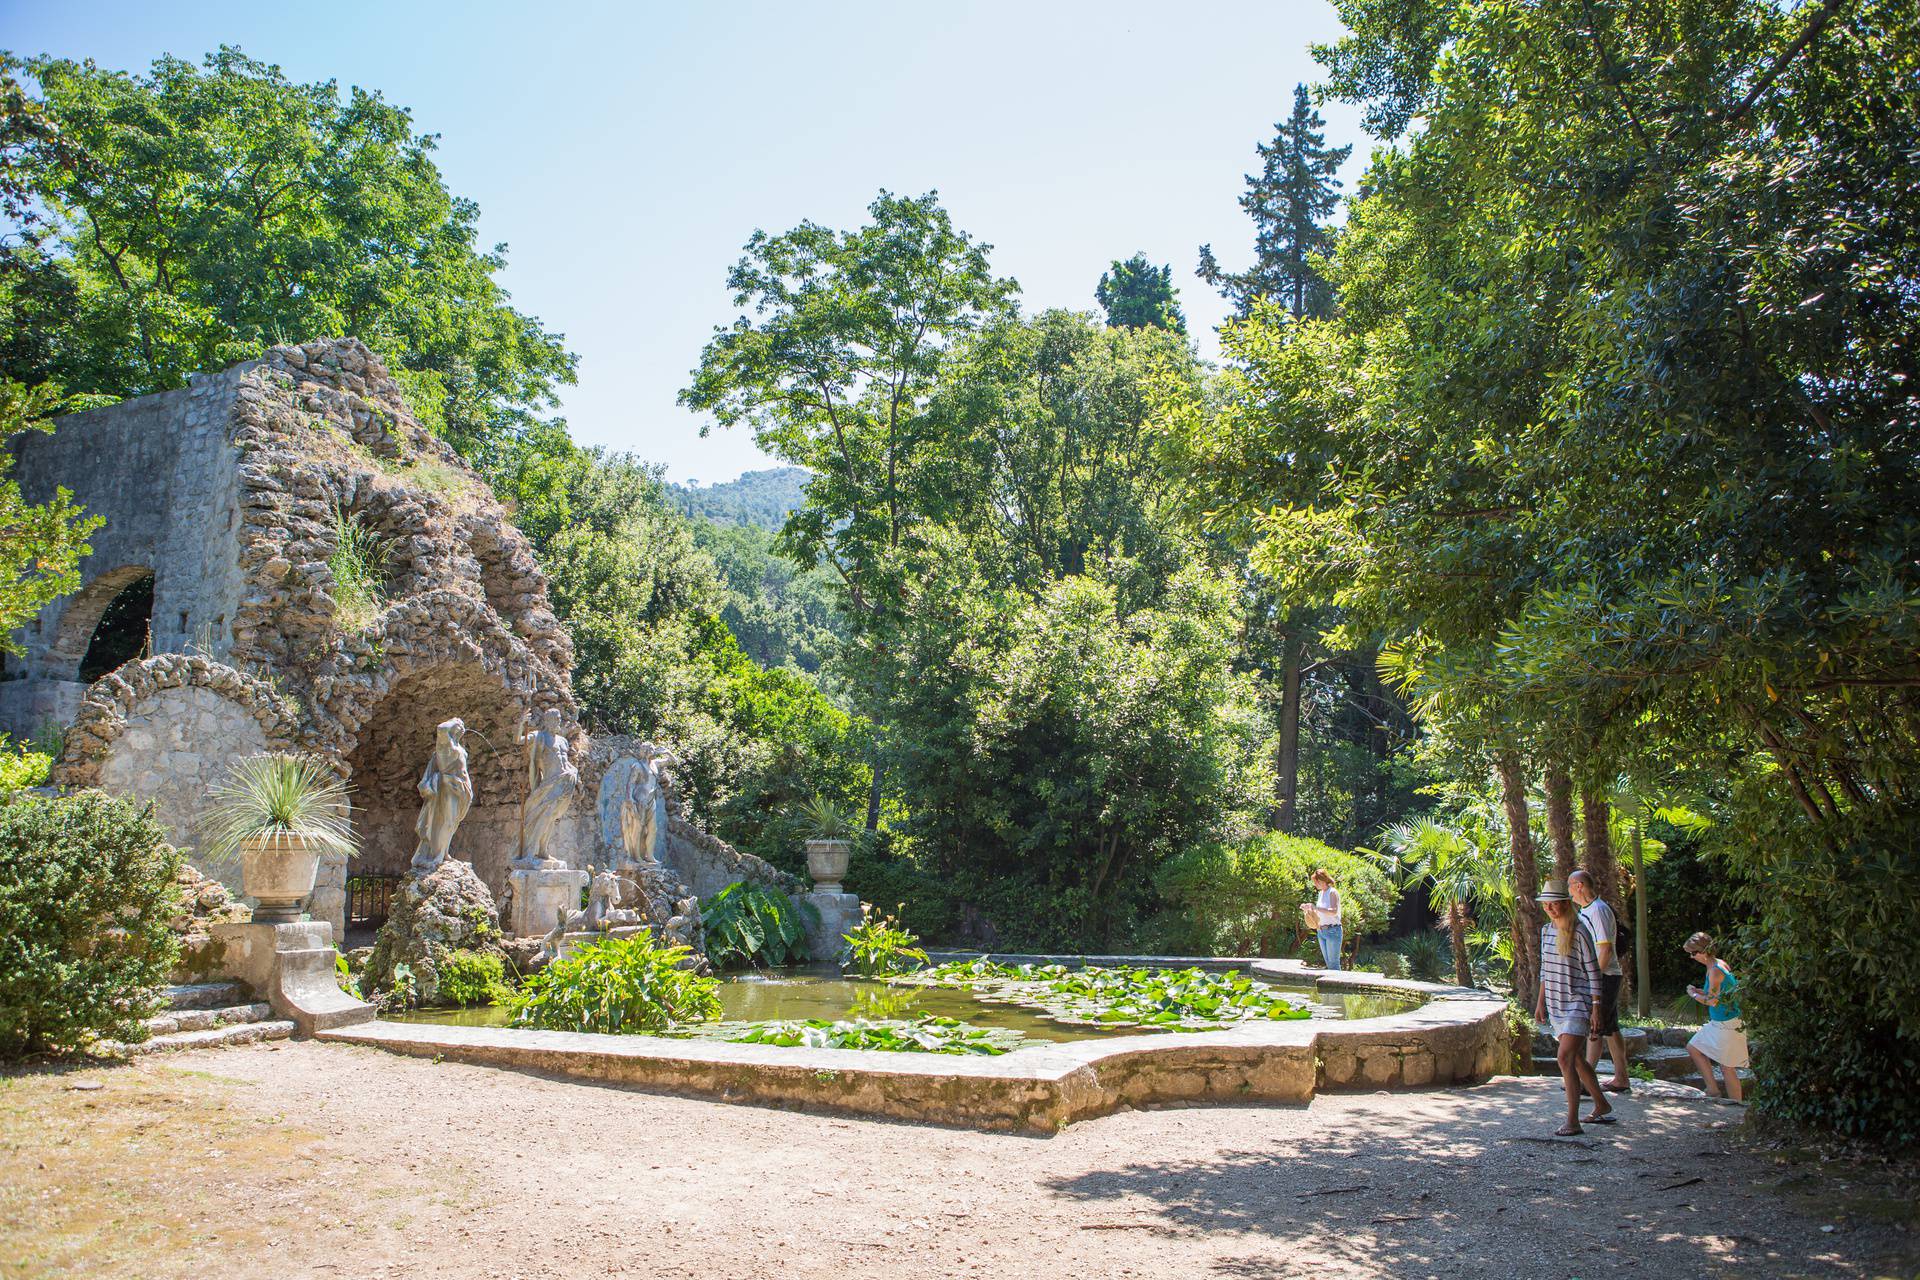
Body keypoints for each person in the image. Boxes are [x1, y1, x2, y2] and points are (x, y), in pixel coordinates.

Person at [1534, 878, 1614, 1135]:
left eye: (1555, 904)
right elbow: (1545, 970)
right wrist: (1540, 1002)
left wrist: (1596, 1007)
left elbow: (1593, 973)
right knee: (1577, 1059)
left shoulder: (1580, 932)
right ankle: (1601, 1104)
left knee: (1565, 1057)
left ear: (1565, 904)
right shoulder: (1546, 932)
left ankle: (1572, 1120)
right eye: (1547, 904)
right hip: (1556, 1003)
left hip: (1578, 1003)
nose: (1550, 908)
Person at [1569, 869, 1630, 1093]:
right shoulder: (1589, 910)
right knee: (1611, 1029)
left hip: (1605, 977)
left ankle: (1586, 1080)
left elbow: (1604, 948)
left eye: (1569, 887)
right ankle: (1621, 1078)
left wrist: (1593, 978)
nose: (1569, 893)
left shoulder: (1598, 911)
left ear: (1579, 886)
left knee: (1594, 1027)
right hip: (1604, 976)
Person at [1683, 932, 1748, 1104]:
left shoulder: (1715, 970)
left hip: (1728, 1023)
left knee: (1727, 1067)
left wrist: (1692, 995)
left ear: (1702, 952)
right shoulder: (1716, 965)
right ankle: (1712, 1089)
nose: (1691, 957)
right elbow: (1718, 992)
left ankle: (1736, 1106)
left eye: (1692, 953)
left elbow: (1712, 1001)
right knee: (1693, 1047)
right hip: (1719, 1022)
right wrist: (1700, 991)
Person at [1303, 869, 1342, 970]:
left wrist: (1316, 907)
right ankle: (1332, 985)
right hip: (1321, 931)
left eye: (1315, 882)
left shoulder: (1332, 892)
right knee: (1329, 964)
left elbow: (1333, 911)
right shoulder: (1321, 893)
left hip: (1333, 930)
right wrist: (1309, 909)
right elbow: (1320, 913)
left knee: (1334, 964)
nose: (1314, 885)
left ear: (1321, 881)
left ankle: (1336, 984)